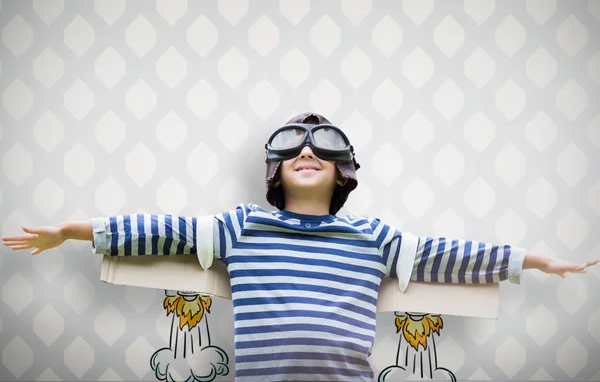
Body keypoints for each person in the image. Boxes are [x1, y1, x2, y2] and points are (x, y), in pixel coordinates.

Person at [3, 112, 598, 382]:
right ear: (274, 171)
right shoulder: (239, 227)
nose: (307, 153)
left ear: (344, 173)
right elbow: (156, 229)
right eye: (293, 148)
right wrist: (70, 232)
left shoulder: (374, 238)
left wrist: (532, 261)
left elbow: (451, 254)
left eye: (322, 149)